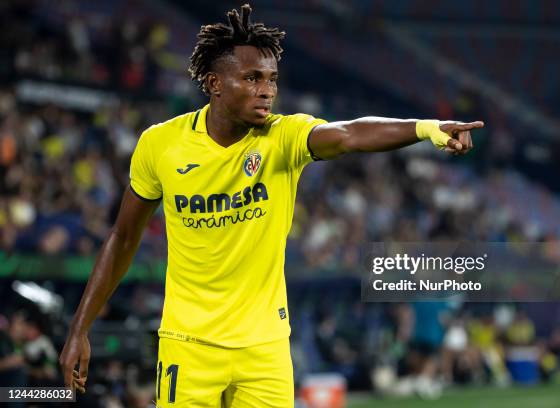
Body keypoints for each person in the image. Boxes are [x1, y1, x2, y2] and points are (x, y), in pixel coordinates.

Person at [60, 4, 484, 406]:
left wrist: (429, 128)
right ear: (214, 85)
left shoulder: (283, 138)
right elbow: (123, 236)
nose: (267, 91)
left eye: (272, 79)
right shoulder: (160, 145)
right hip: (187, 345)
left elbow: (351, 134)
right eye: (252, 78)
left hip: (264, 348)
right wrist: (80, 328)